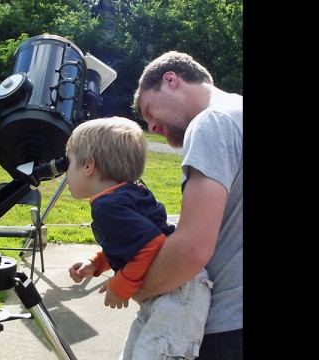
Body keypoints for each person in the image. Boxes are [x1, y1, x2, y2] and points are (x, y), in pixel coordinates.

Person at [66, 116, 213, 360]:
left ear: (88, 166)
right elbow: (130, 241)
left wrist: (120, 285)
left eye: (69, 163)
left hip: (178, 294)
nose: (66, 172)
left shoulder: (107, 205)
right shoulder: (127, 193)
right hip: (173, 290)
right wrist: (96, 263)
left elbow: (151, 243)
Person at [132, 50, 243, 360]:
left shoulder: (212, 122)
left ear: (170, 81)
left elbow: (192, 248)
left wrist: (139, 288)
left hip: (227, 330)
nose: (151, 127)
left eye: (149, 110)